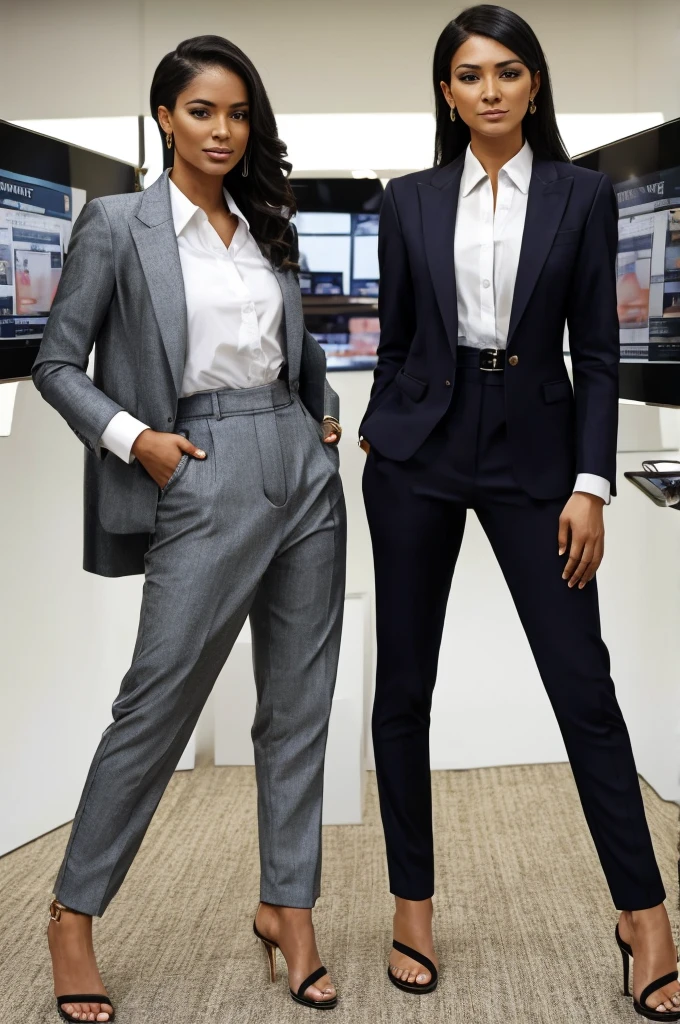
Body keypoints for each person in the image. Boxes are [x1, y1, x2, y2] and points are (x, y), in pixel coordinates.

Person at [359, 5, 680, 1017]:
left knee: (581, 684)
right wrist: (381, 423)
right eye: (468, 74)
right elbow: (400, 331)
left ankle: (642, 915)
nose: (488, 89)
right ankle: (411, 903)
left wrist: (590, 484)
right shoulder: (404, 200)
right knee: (401, 685)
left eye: (506, 71)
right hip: (417, 448)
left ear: (532, 86)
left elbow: (598, 348)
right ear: (445, 93)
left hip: (535, 449)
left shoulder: (583, 195)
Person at [33, 34, 346, 1022]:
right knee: (156, 703)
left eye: (238, 112)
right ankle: (73, 913)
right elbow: (57, 363)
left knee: (298, 708)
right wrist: (139, 442)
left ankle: (286, 908)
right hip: (196, 467)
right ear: (165, 115)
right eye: (202, 110)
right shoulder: (117, 224)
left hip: (299, 468)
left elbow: (287, 343)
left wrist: (319, 410)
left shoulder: (268, 218)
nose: (222, 129)